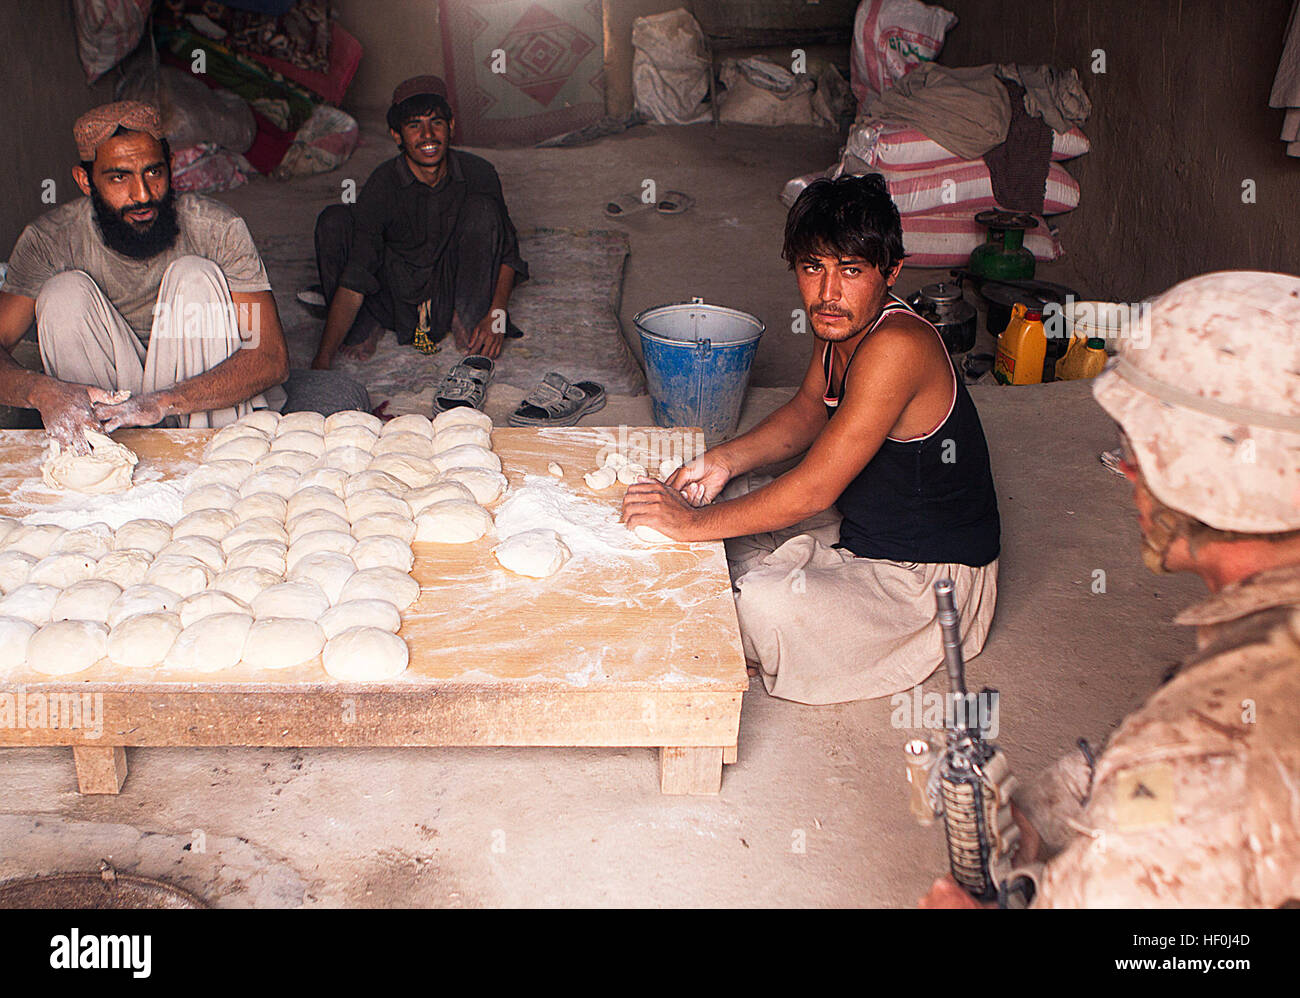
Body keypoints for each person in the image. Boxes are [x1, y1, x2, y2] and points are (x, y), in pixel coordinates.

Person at [921, 270, 1300, 908]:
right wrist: (1046, 808)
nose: (1125, 467)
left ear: (1206, 469)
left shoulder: (1202, 756)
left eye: (1138, 443)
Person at [622, 175, 1001, 704]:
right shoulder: (842, 327)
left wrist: (691, 525)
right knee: (723, 492)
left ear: (890, 271)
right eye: (812, 268)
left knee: (764, 601)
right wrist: (722, 461)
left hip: (926, 578)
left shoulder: (897, 346)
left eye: (851, 271)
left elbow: (812, 493)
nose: (827, 293)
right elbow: (806, 412)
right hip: (863, 524)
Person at [0, 100, 334, 452]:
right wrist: (42, 392)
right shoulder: (49, 240)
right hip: (112, 401)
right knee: (62, 293)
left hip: (200, 402)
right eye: (119, 178)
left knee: (195, 276)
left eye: (154, 173)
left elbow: (271, 357)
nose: (142, 194)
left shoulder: (217, 228)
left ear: (171, 167)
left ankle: (214, 458)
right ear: (85, 181)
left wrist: (161, 402)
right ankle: (96, 455)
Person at [311, 75, 529, 368]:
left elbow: (508, 254)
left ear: (451, 127)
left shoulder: (479, 173)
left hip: (452, 288)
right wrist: (322, 359)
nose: (428, 135)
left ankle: (465, 318)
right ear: (397, 135)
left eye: (436, 122)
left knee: (483, 209)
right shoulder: (382, 185)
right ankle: (367, 326)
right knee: (334, 220)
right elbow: (356, 276)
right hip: (394, 294)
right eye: (414, 126)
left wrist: (496, 315)